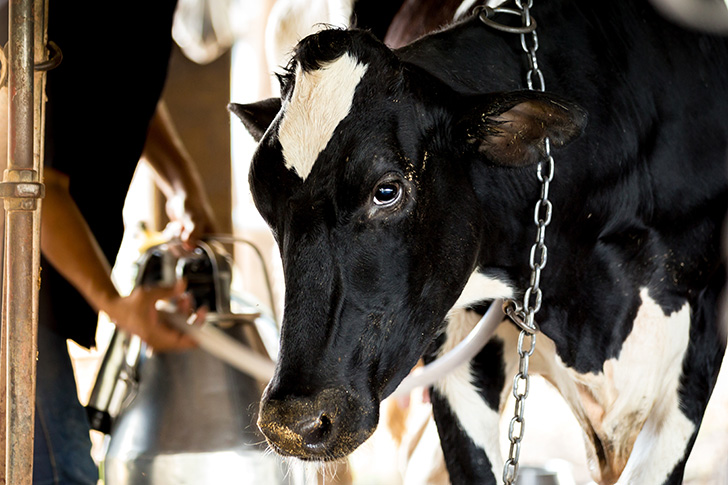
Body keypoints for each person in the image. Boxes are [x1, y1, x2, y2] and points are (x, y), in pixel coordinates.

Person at [31, 2, 217, 483]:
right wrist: (116, 304)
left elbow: (126, 88)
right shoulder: (63, 15)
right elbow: (38, 190)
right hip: (14, 286)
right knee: (59, 473)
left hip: (41, 292)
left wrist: (182, 184)